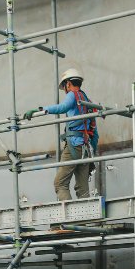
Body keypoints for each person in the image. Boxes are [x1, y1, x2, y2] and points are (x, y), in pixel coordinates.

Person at [23, 68, 100, 202]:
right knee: (82, 189)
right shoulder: (86, 99)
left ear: (68, 84)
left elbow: (62, 107)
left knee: (60, 184)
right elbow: (95, 132)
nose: (65, 89)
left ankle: (70, 218)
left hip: (74, 146)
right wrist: (91, 155)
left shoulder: (72, 95)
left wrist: (40, 110)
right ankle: (88, 221)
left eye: (64, 86)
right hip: (86, 147)